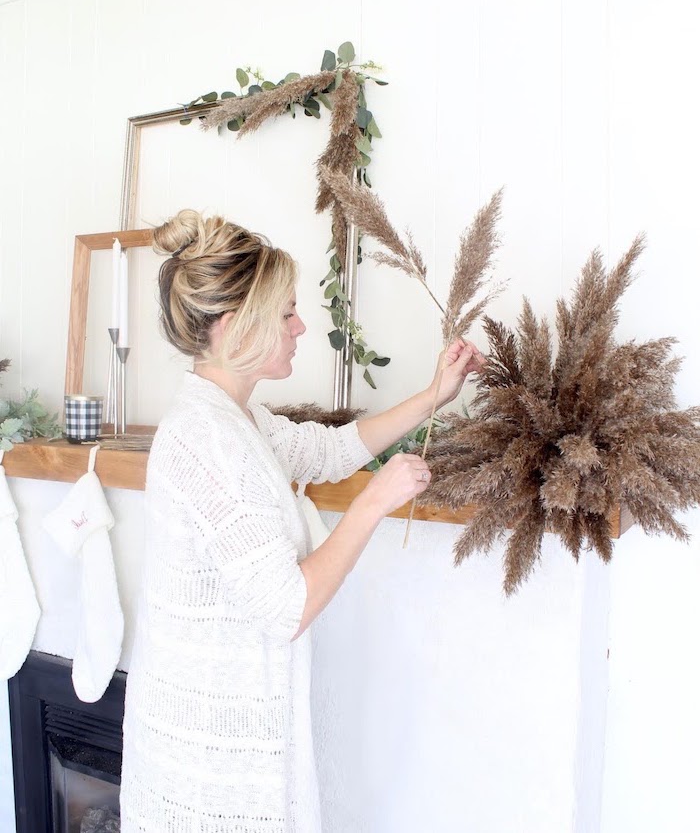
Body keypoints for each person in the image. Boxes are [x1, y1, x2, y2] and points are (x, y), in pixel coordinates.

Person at [119, 209, 484, 833]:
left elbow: (328, 450)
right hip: (210, 758)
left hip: (225, 732)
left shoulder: (237, 421)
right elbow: (288, 607)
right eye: (286, 311)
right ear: (238, 327)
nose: (300, 326)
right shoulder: (209, 442)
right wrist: (375, 501)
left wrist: (432, 396)